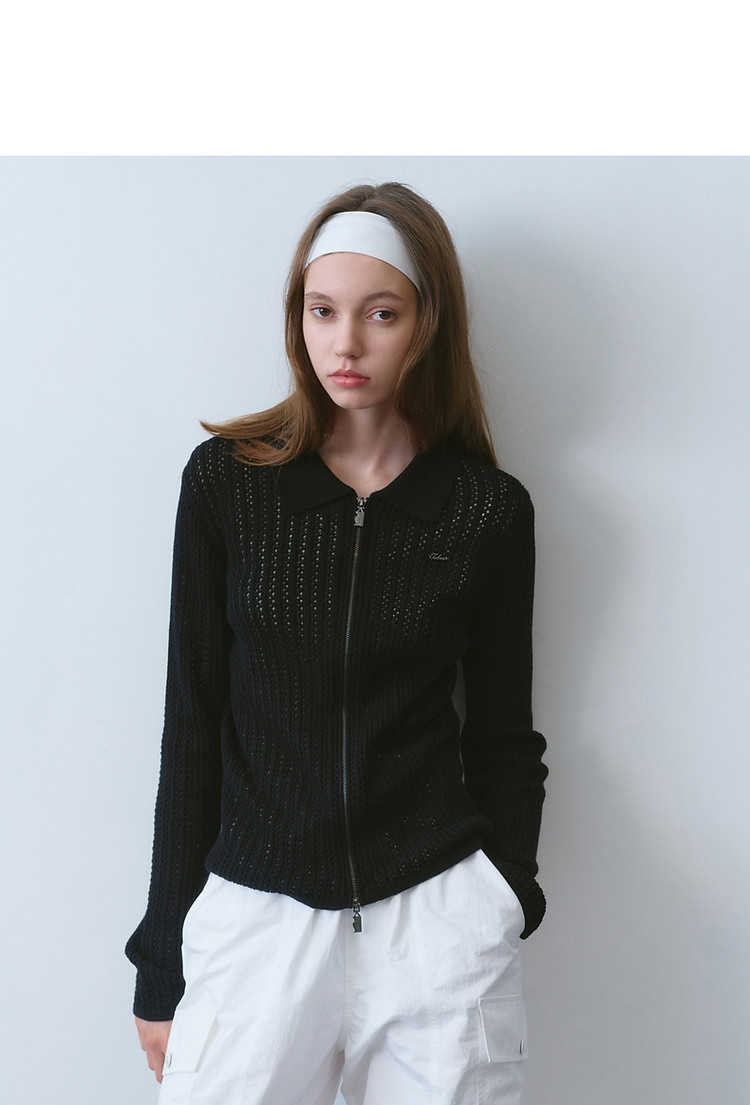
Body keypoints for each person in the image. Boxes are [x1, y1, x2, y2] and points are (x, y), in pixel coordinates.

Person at [126, 181, 548, 1105]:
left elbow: (504, 734)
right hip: (257, 917)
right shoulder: (228, 486)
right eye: (322, 311)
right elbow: (191, 724)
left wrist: (504, 895)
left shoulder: (486, 511)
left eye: (380, 313)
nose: (345, 344)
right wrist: (162, 960)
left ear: (428, 322)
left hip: (436, 919)